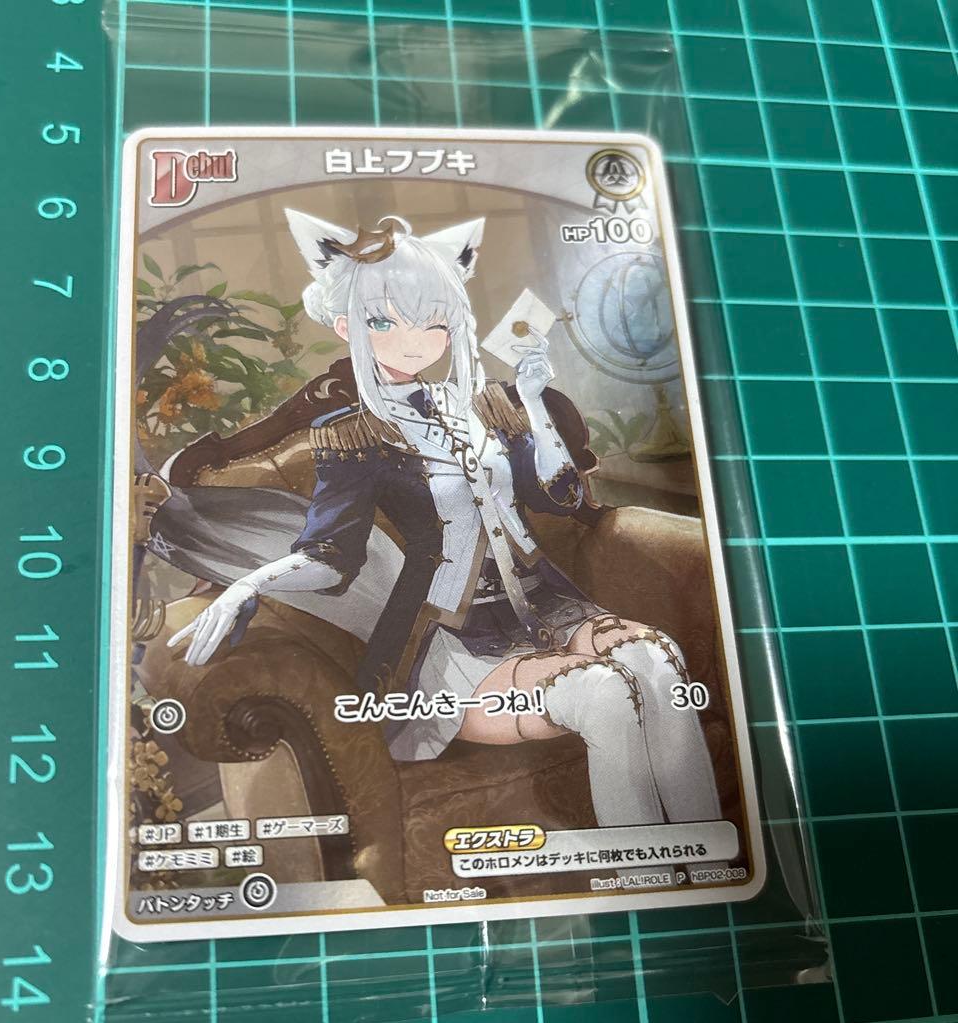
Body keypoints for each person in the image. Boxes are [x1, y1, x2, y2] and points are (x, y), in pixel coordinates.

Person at [168, 210, 720, 829]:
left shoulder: (490, 405)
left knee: (659, 660)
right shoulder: (352, 436)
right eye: (385, 321)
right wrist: (247, 585)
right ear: (348, 326)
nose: (414, 340)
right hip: (448, 638)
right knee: (606, 693)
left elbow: (559, 499)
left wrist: (534, 406)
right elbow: (331, 556)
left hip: (552, 606)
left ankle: (703, 856)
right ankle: (642, 869)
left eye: (433, 321)